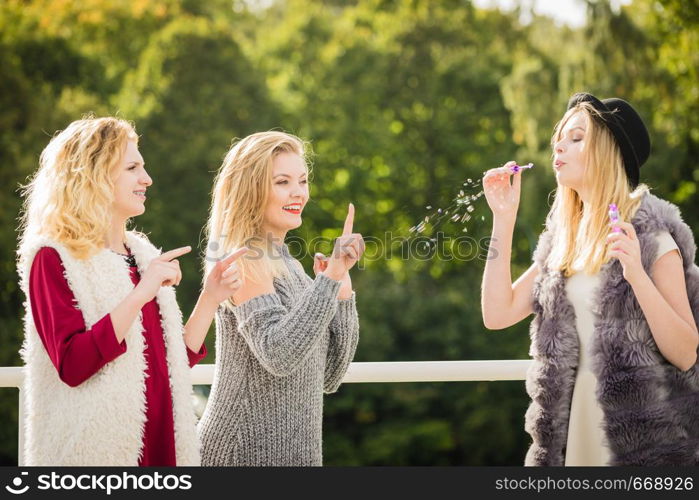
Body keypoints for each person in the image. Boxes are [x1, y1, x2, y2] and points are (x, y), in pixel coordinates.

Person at [480, 93, 699, 466]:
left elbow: (686, 352)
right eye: (558, 141)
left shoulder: (651, 239)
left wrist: (636, 275)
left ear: (608, 151)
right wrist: (503, 219)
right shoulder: (563, 246)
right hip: (570, 441)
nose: (560, 147)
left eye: (576, 138)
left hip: (637, 449)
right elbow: (496, 314)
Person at [16, 116, 247, 466]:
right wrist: (142, 292)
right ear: (93, 175)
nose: (147, 179)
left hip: (164, 452)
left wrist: (210, 297)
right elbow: (74, 364)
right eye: (132, 167)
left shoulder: (142, 256)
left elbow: (170, 363)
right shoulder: (53, 257)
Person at [198, 131, 363, 466]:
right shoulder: (244, 257)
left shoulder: (289, 265)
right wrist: (327, 281)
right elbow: (279, 354)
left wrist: (341, 289)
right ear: (251, 190)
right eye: (283, 182)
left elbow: (329, 375)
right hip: (240, 455)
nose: (298, 192)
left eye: (302, 181)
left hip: (294, 457)